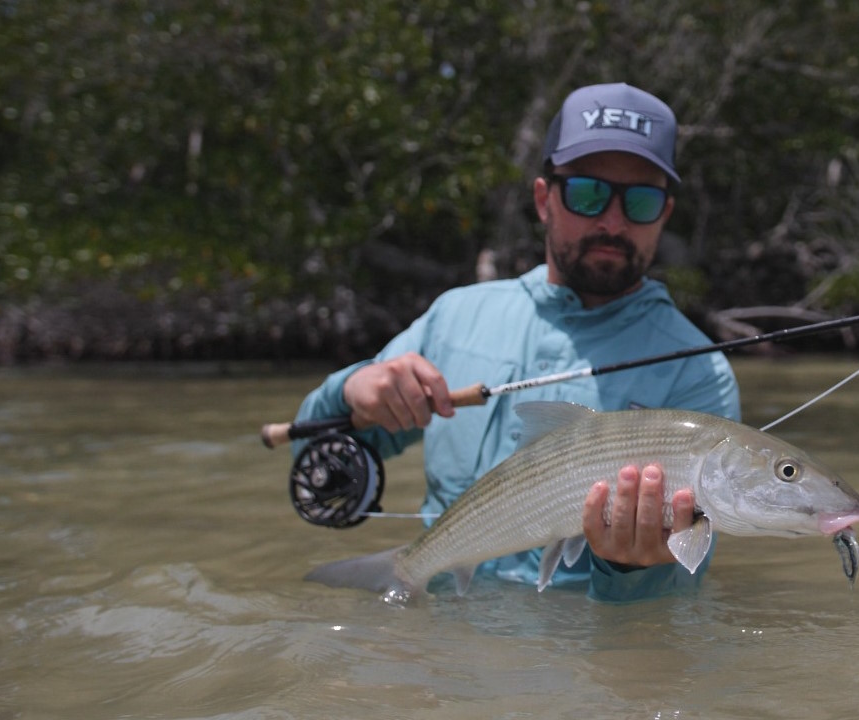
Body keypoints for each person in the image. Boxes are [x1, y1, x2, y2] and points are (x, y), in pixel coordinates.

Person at [293, 83, 740, 602]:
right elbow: (316, 471)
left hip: (579, 658)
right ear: (543, 199)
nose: (612, 222)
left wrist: (632, 570)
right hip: (441, 644)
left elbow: (674, 595)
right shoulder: (454, 317)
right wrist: (347, 393)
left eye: (640, 201)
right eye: (588, 193)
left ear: (665, 214)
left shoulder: (699, 373)